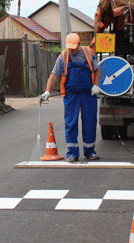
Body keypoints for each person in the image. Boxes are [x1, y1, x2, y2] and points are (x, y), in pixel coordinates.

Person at [40, 33, 101, 162]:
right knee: (71, 123)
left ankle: (89, 152)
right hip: (71, 96)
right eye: (69, 47)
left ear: (79, 44)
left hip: (88, 95)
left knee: (90, 122)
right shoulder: (63, 57)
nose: (71, 50)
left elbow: (97, 70)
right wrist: (47, 91)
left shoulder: (88, 53)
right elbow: (54, 75)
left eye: (73, 47)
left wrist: (96, 85)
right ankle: (72, 153)